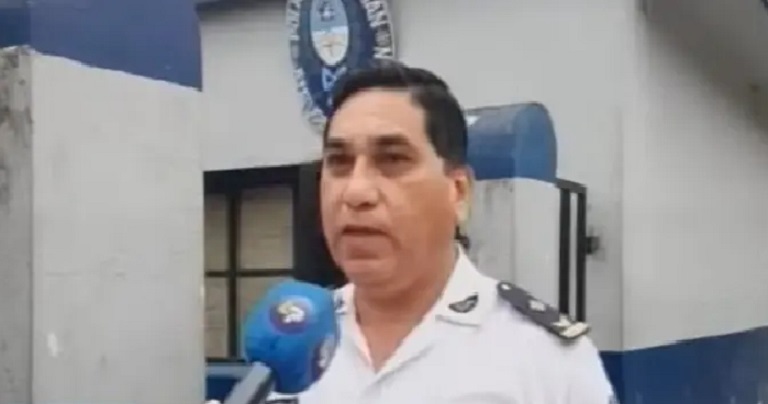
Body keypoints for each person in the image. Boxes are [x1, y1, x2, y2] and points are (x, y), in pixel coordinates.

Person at [269, 61, 617, 403]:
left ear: (458, 192)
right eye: (339, 162)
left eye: (392, 160)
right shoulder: (290, 343)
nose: (356, 191)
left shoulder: (548, 360)